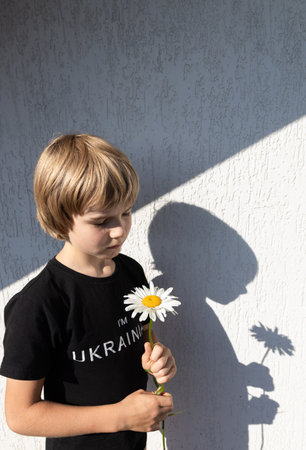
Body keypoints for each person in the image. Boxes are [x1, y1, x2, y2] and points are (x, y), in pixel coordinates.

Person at [0, 134, 176, 450]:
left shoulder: (131, 272)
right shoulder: (39, 305)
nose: (120, 229)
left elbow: (144, 337)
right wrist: (120, 417)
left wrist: (157, 356)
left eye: (126, 212)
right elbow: (20, 415)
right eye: (101, 221)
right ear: (60, 218)